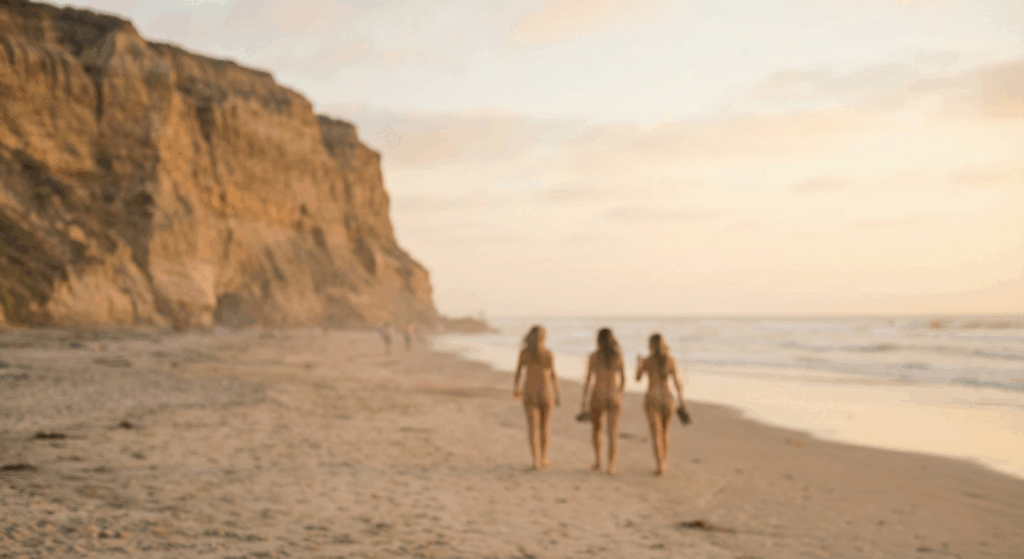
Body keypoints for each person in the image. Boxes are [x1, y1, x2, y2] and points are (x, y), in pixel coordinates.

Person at [635, 333, 686, 475]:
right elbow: (677, 382)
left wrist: (639, 364)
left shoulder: (647, 361)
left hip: (652, 397)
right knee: (665, 432)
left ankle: (659, 465)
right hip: (668, 398)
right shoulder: (669, 360)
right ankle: (664, 461)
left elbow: (638, 378)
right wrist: (681, 400)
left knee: (655, 433)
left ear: (650, 345)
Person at [512, 325, 561, 470]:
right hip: (546, 390)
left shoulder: (524, 353)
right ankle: (544, 457)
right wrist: (558, 393)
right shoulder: (548, 353)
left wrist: (516, 388)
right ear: (543, 337)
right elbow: (553, 375)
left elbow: (518, 373)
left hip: (529, 391)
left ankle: (535, 460)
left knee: (532, 427)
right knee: (545, 426)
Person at [580, 328, 625, 475]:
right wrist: (620, 394)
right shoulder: (618, 356)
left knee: (596, 430)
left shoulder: (594, 356)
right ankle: (611, 466)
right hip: (613, 395)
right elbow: (623, 379)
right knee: (613, 433)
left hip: (598, 395)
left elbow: (588, 379)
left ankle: (598, 461)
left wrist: (584, 400)